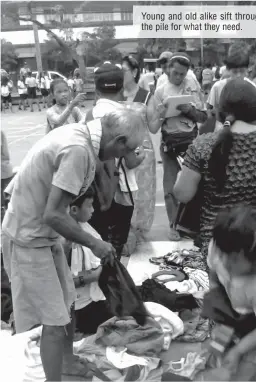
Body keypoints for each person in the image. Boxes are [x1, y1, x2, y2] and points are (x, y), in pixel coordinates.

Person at [1, 107, 146, 381]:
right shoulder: (78, 149)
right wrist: (94, 243)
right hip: (28, 238)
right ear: (118, 141)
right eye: (127, 151)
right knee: (54, 322)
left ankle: (66, 361)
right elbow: (54, 214)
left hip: (45, 235)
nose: (124, 158)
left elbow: (66, 208)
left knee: (67, 305)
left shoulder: (85, 139)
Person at [174, 79, 256, 265]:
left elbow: (183, 194)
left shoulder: (204, 145)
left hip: (218, 248)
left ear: (221, 112)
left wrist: (182, 175)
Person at [207, 206, 256, 381]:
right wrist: (220, 313)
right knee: (218, 355)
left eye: (234, 259)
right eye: (222, 254)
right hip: (239, 313)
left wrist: (238, 350)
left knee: (253, 370)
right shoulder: (222, 247)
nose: (224, 262)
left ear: (255, 258)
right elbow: (214, 272)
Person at [88, 62, 146, 258]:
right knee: (115, 246)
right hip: (120, 191)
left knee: (96, 245)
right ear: (122, 88)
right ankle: (112, 282)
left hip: (93, 192)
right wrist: (142, 155)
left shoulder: (89, 115)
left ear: (96, 90)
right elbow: (130, 161)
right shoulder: (124, 117)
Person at [152, 52, 207, 241]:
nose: (178, 77)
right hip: (170, 143)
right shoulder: (160, 91)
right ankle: (173, 225)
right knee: (170, 189)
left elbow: (204, 117)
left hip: (191, 143)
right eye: (175, 73)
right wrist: (162, 113)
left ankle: (191, 225)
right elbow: (153, 124)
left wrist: (189, 110)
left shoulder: (192, 89)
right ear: (167, 69)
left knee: (194, 186)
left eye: (182, 74)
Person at [122, 55, 162, 246]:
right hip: (120, 153)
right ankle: (124, 233)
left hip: (143, 154)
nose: (121, 75)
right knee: (124, 193)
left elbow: (153, 128)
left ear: (135, 72)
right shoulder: (116, 96)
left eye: (124, 71)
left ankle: (140, 233)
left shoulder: (146, 96)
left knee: (144, 194)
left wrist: (162, 114)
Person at [67, 189, 112, 335]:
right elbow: (55, 281)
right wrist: (93, 276)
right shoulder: (63, 240)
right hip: (80, 309)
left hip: (92, 299)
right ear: (74, 209)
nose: (93, 210)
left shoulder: (82, 226)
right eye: (89, 205)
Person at [207, 42, 255, 131]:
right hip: (221, 130)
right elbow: (209, 108)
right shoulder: (217, 87)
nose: (238, 75)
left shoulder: (251, 86)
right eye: (235, 72)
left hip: (244, 131)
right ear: (228, 70)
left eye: (242, 71)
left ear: (248, 70)